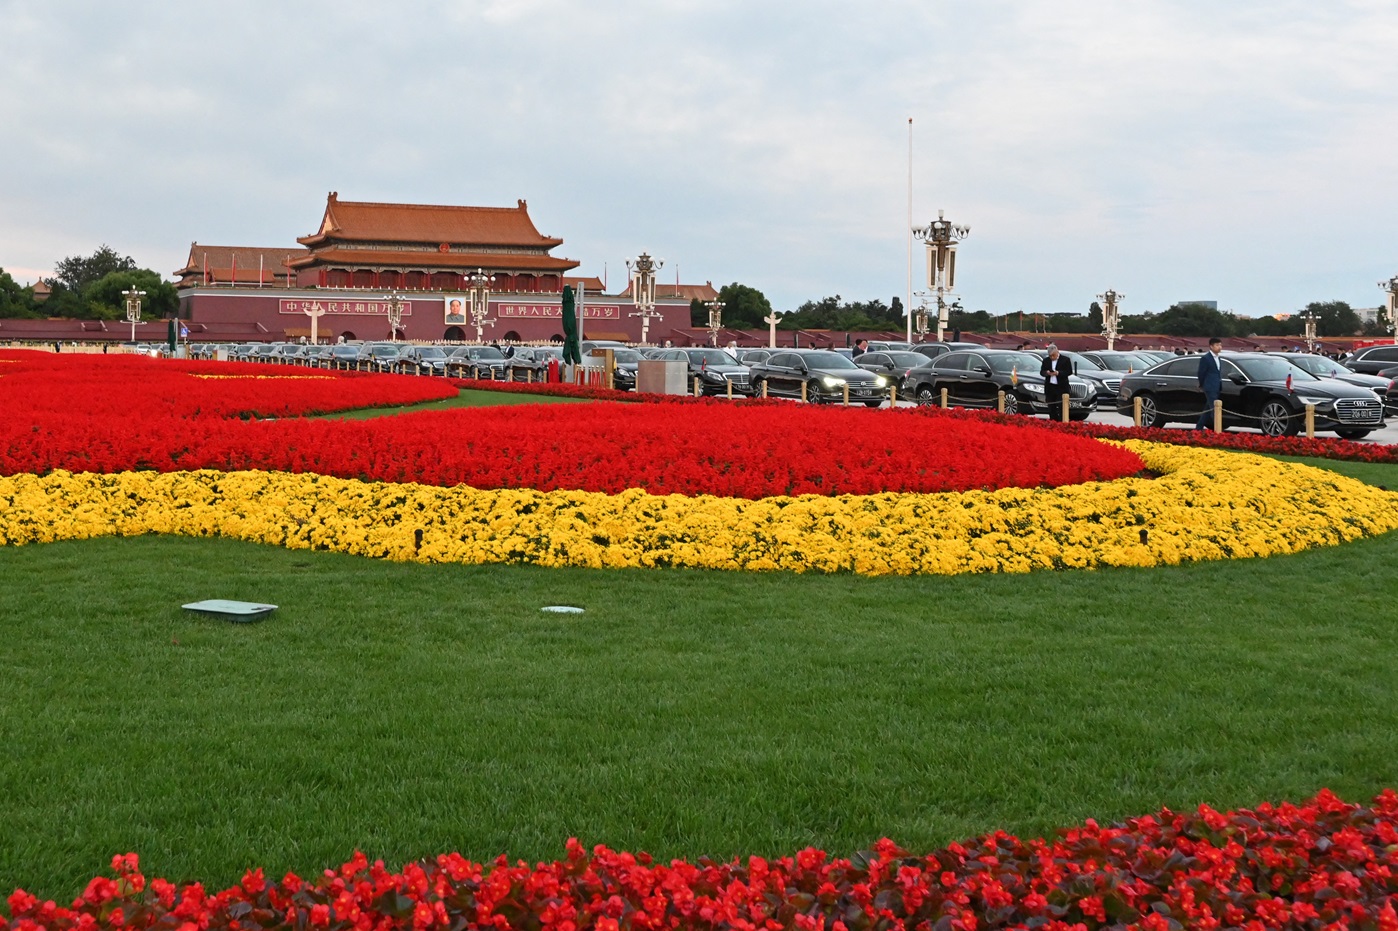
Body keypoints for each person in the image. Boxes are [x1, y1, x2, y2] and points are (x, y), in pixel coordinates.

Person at [1195, 337, 1224, 430]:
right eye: (1217, 345)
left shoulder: (1218, 358)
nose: (1219, 347)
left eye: (1220, 345)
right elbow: (1201, 372)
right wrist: (1202, 384)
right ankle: (1218, 430)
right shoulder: (1206, 358)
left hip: (1217, 386)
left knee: (1208, 409)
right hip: (1210, 387)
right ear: (1211, 346)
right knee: (1215, 410)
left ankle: (1199, 427)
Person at [1039, 343, 1072, 420]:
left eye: (1053, 355)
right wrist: (1047, 373)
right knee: (1051, 407)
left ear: (1057, 352)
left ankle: (1062, 421)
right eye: (1050, 356)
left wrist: (1058, 373)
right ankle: (1053, 421)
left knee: (1061, 406)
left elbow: (1069, 372)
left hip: (1061, 387)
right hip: (1050, 387)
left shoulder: (1065, 360)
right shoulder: (1046, 361)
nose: (1052, 357)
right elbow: (1042, 372)